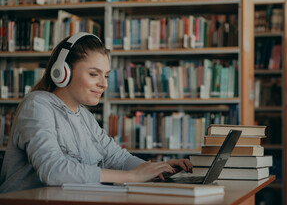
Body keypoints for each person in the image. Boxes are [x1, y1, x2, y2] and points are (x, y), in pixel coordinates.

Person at [0, 32, 192, 193]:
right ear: (63, 72)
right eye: (94, 74)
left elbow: (116, 158)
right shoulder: (37, 105)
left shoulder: (84, 116)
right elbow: (53, 170)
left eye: (106, 75)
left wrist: (157, 169)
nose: (104, 83)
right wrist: (132, 176)